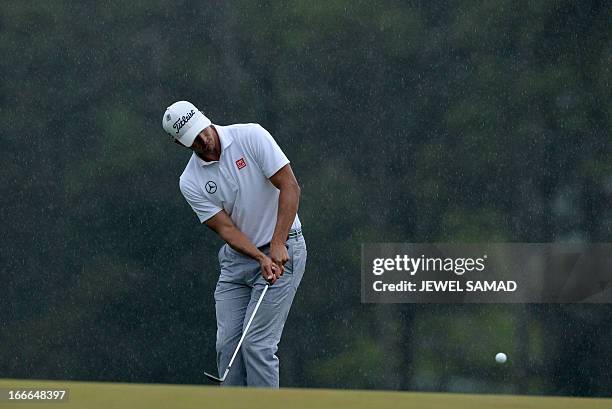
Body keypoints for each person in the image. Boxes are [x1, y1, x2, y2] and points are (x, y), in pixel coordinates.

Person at [162, 100, 306, 387]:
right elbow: (226, 228)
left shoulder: (250, 136)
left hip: (284, 248)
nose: (204, 140)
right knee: (227, 347)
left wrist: (277, 244)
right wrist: (259, 257)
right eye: (194, 140)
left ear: (205, 116)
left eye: (203, 130)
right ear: (180, 144)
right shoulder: (190, 181)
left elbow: (290, 185)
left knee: (257, 345)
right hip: (238, 260)